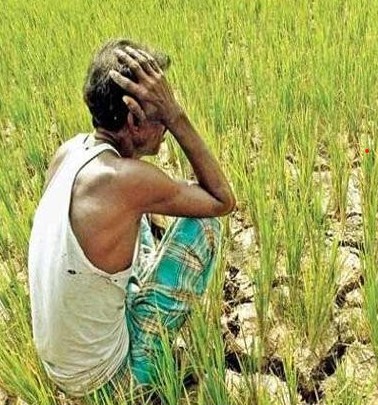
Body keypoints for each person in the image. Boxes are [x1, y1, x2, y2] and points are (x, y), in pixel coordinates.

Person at [28, 38, 236, 401]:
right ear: (134, 118)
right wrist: (177, 115)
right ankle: (147, 370)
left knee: (138, 220)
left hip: (62, 369)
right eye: (159, 112)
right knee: (204, 226)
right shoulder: (124, 182)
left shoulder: (70, 152)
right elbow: (222, 200)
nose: (165, 125)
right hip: (108, 383)